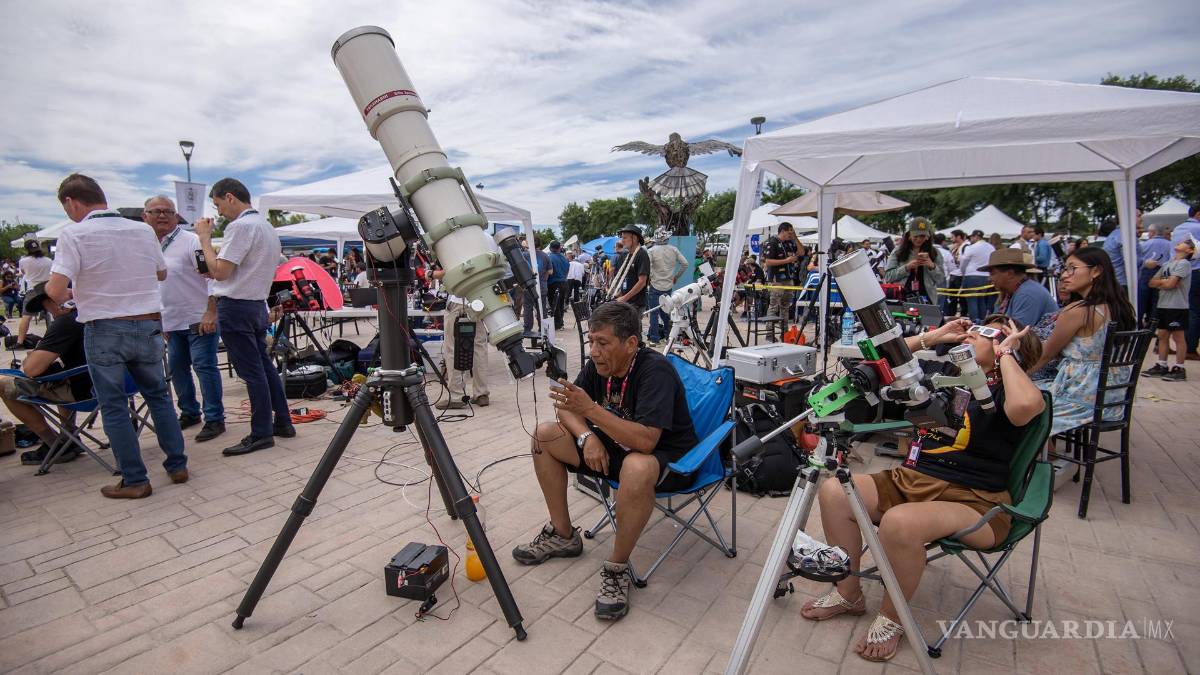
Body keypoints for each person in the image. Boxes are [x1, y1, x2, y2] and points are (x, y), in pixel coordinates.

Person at [802, 315, 1044, 663]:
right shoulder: (946, 378)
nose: (973, 334)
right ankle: (848, 593)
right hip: (912, 480)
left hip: (973, 499)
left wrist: (1006, 353)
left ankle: (892, 617)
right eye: (974, 328)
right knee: (834, 492)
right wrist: (936, 336)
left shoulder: (1009, 393)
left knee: (900, 522)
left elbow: (1026, 407)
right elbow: (876, 364)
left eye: (987, 333)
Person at [513, 301, 698, 621]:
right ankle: (563, 535)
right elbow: (566, 407)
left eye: (602, 343)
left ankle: (617, 567)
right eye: (591, 341)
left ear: (631, 343)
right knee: (544, 435)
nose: (594, 351)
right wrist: (588, 437)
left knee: (636, 466)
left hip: (667, 461)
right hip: (613, 448)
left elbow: (646, 441)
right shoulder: (599, 366)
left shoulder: (655, 371)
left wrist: (591, 411)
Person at [47, 174, 187, 499]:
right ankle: (177, 465)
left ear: (71, 202)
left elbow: (54, 291)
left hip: (105, 327)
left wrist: (78, 290)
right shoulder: (142, 230)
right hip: (147, 323)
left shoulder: (74, 234)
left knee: (113, 405)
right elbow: (161, 272)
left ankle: (135, 479)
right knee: (159, 397)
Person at [195, 177, 295, 456]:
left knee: (253, 372)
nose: (218, 213)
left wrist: (204, 239)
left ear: (230, 197)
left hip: (236, 305)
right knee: (263, 367)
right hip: (255, 304)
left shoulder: (240, 226)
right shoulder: (266, 227)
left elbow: (220, 272)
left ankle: (261, 433)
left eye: (218, 205)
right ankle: (282, 422)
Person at [1030, 246, 1136, 436]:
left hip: (1080, 398)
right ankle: (1046, 449)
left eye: (1072, 268)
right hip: (1113, 399)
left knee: (1018, 397)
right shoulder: (1120, 307)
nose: (1064, 275)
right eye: (1065, 269)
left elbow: (1046, 355)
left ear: (1096, 271)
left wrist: (1018, 376)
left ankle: (1041, 450)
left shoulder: (1078, 311)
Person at [143, 196, 225, 443]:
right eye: (156, 211)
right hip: (170, 321)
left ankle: (215, 418)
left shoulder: (192, 242)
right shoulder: (146, 244)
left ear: (176, 216)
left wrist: (211, 311)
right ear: (144, 216)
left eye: (168, 211)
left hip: (198, 319)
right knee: (177, 369)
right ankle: (189, 412)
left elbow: (211, 277)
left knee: (204, 367)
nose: (162, 216)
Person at [1, 283, 92, 466]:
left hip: (87, 393)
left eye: (45, 307)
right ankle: (69, 436)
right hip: (117, 385)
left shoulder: (65, 323)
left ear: (53, 302)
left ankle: (55, 444)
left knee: (3, 384)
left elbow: (31, 370)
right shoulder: (94, 312)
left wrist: (33, 356)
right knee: (59, 374)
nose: (49, 313)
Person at [1143, 239, 1194, 381]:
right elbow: (1151, 282)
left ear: (1189, 250)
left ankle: (1179, 368)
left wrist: (1165, 282)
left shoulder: (1184, 264)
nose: (1179, 242)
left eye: (1185, 243)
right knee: (1162, 335)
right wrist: (1166, 282)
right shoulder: (1167, 264)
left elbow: (1170, 284)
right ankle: (1162, 364)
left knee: (1178, 337)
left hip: (1177, 306)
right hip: (1163, 305)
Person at [982, 248, 1058, 328]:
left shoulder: (1027, 294)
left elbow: (1015, 330)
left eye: (992, 273)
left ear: (1010, 274)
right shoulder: (1012, 293)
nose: (989, 278)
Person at [883, 218, 945, 305]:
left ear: (927, 237)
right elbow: (888, 277)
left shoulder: (934, 252)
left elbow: (941, 279)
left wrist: (932, 266)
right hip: (902, 298)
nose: (919, 239)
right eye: (915, 236)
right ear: (909, 235)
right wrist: (907, 267)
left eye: (922, 236)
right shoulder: (898, 251)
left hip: (927, 299)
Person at [645, 233, 689, 345]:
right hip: (668, 285)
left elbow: (647, 266)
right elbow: (685, 264)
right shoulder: (674, 249)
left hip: (655, 284)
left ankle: (654, 339)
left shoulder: (651, 251)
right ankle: (667, 336)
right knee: (666, 311)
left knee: (654, 313)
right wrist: (676, 276)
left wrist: (651, 276)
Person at [1169, 204, 1200, 360]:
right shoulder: (1198, 228)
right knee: (1195, 311)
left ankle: (1163, 344)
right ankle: (1190, 348)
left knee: (1180, 308)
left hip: (1177, 271)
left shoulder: (1178, 228)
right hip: (1195, 272)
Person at [761, 222, 800, 329]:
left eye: (792, 233)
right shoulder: (772, 242)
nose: (790, 235)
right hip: (776, 279)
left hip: (789, 278)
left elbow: (801, 252)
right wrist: (786, 260)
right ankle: (769, 332)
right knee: (774, 306)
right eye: (789, 232)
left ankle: (784, 331)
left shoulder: (789, 243)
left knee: (785, 306)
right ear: (782, 231)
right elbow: (768, 262)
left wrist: (795, 238)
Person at [1137, 223, 1175, 327]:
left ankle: (1138, 324)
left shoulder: (1144, 244)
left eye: (1149, 232)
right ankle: (1153, 325)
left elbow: (1139, 260)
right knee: (1157, 301)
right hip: (1163, 272)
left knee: (1142, 299)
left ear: (1153, 232)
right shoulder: (1170, 245)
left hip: (1146, 272)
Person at [17, 240, 53, 345]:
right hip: (47, 288)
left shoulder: (23, 261)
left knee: (26, 316)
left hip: (33, 289)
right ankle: (52, 338)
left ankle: (20, 341)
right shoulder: (49, 260)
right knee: (51, 313)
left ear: (27, 249)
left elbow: (23, 272)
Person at [1100, 212, 1145, 293]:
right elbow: (1131, 262)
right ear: (1127, 217)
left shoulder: (1116, 234)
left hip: (1115, 281)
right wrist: (1146, 263)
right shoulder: (1125, 235)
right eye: (1138, 216)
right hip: (1123, 283)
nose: (1141, 219)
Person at [957, 229, 995, 323]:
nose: (970, 239)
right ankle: (982, 321)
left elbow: (963, 262)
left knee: (972, 300)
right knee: (981, 299)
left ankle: (974, 321)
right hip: (986, 275)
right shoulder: (991, 247)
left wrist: (963, 272)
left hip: (972, 275)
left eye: (971, 237)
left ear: (975, 237)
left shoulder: (971, 247)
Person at [612, 226, 650, 316]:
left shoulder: (642, 254)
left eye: (625, 238)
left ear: (635, 238)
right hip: (627, 302)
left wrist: (625, 297)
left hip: (635, 304)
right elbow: (627, 278)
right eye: (622, 238)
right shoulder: (627, 255)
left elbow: (642, 282)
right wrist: (620, 293)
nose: (622, 241)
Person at [942, 230, 967, 317]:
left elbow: (963, 261)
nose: (951, 239)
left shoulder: (966, 246)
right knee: (952, 298)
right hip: (953, 274)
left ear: (958, 237)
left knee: (962, 298)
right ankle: (951, 315)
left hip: (960, 275)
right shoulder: (954, 247)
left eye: (952, 237)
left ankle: (964, 316)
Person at [546, 241, 569, 331]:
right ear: (559, 248)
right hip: (564, 282)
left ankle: (557, 324)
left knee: (554, 304)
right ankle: (561, 322)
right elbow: (567, 269)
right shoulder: (564, 258)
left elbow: (549, 271)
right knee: (561, 303)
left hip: (553, 283)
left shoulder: (549, 257)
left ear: (550, 248)